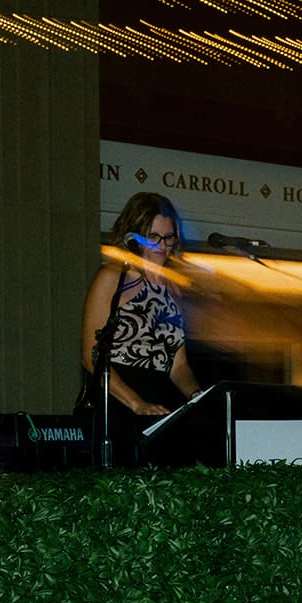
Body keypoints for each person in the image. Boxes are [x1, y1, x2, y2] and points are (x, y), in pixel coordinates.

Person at [78, 192, 201, 464]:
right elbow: (91, 356)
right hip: (117, 402)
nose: (162, 246)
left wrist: (198, 398)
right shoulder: (113, 278)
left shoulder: (174, 288)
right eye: (154, 237)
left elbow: (178, 366)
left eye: (168, 238)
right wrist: (136, 403)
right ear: (133, 237)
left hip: (158, 406)